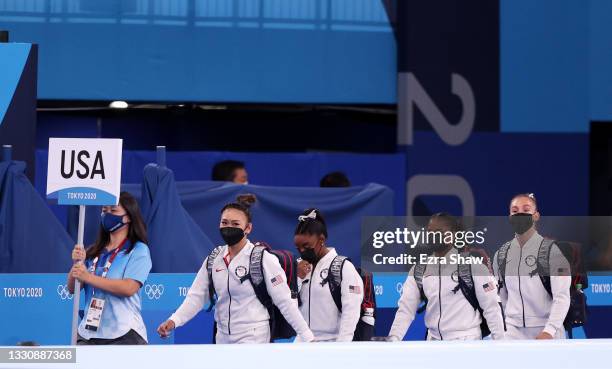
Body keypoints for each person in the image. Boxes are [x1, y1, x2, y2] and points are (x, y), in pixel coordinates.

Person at [157, 195, 314, 344]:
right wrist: (173, 321)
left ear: (248, 228)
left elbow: (284, 301)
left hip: (254, 337)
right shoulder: (214, 259)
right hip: (222, 337)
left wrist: (307, 337)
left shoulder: (263, 259)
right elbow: (196, 297)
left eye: (235, 224)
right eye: (224, 223)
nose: (228, 227)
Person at [388, 213, 505, 341]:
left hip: (467, 342)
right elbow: (406, 309)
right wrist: (394, 338)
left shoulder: (473, 267)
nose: (432, 236)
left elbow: (492, 308)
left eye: (438, 232)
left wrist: (500, 344)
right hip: (433, 342)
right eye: (429, 232)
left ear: (452, 234)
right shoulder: (419, 269)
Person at [68, 191, 152, 345]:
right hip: (88, 335)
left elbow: (129, 288)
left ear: (128, 217)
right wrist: (76, 264)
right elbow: (72, 289)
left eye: (113, 211)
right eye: (104, 211)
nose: (107, 214)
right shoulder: (93, 251)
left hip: (124, 334)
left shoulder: (139, 250)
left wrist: (88, 277)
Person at [493, 193, 571, 339]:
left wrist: (549, 330)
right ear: (510, 217)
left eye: (526, 210)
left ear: (536, 216)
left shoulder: (553, 253)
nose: (520, 215)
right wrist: (505, 327)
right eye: (515, 211)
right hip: (513, 332)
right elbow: (501, 296)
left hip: (547, 330)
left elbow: (562, 297)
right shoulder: (501, 254)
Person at [294, 208, 364, 342]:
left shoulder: (343, 267)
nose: (302, 251)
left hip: (332, 342)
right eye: (298, 248)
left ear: (321, 239)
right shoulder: (298, 267)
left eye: (306, 246)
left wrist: (342, 346)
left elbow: (351, 311)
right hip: (302, 343)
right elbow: (287, 304)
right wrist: (297, 278)